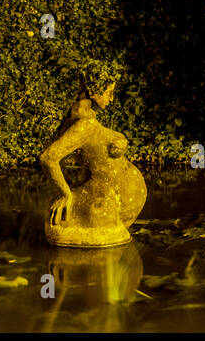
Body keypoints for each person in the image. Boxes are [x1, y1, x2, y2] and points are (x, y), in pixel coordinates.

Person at [40, 80, 147, 248]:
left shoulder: (80, 118)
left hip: (120, 192)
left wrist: (118, 138)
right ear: (92, 91)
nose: (111, 98)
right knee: (61, 217)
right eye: (108, 92)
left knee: (61, 218)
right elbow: (48, 158)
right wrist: (66, 193)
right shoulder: (83, 123)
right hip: (110, 193)